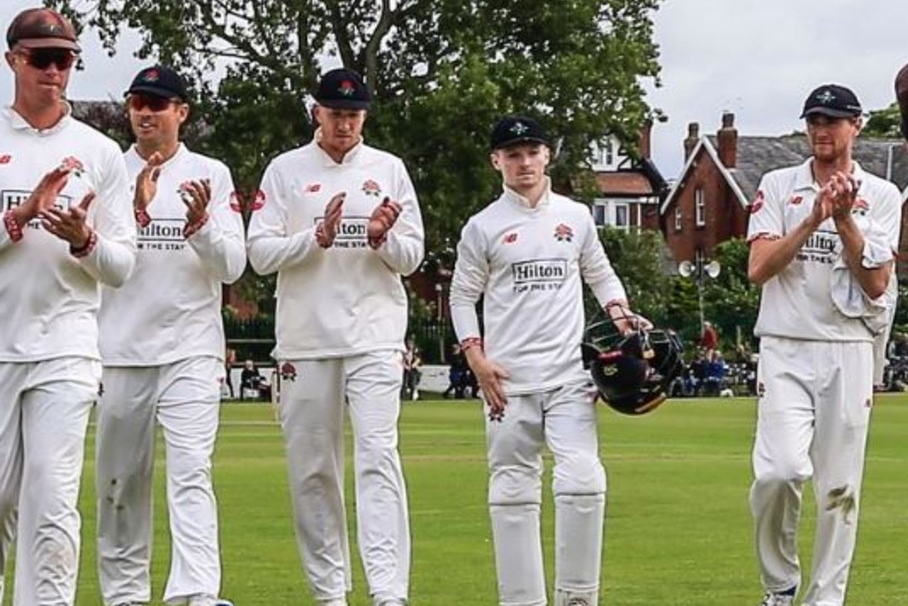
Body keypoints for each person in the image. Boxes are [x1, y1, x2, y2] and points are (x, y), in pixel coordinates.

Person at [449, 115, 644, 606]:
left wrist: (621, 318)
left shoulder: (575, 217)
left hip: (568, 376)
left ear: (547, 155)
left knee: (583, 481)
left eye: (532, 152)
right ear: (497, 161)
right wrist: (477, 359)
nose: (524, 163)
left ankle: (579, 599)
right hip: (507, 380)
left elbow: (600, 275)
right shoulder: (483, 227)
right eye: (512, 154)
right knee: (512, 491)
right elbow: (459, 298)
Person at [247, 68, 424, 606]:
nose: (344, 123)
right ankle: (329, 593)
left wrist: (381, 239)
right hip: (306, 338)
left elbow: (412, 255)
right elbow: (258, 253)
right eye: (334, 113)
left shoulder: (388, 170)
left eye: (352, 114)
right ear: (316, 112)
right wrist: (313, 238)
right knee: (313, 470)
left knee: (378, 457)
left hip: (374, 334)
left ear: (364, 116)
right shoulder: (286, 171)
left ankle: (388, 592)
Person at [745, 84, 901, 606]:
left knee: (839, 490)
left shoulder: (881, 194)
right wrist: (811, 217)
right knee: (779, 472)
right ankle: (779, 585)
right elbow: (759, 269)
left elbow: (876, 284)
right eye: (813, 120)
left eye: (832, 121)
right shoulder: (777, 184)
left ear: (856, 125)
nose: (821, 131)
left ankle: (826, 598)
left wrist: (843, 219)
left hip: (848, 347)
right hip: (786, 345)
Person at [0, 6, 136, 603]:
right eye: (40, 59)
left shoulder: (100, 153)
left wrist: (84, 239)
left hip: (66, 347)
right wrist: (20, 218)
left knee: (52, 504)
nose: (53, 72)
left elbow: (122, 266)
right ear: (13, 61)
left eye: (64, 60)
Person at [96, 65, 245, 606]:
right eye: (138, 102)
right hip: (120, 348)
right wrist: (133, 210)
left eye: (158, 104)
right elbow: (97, 256)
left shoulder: (210, 172)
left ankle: (197, 591)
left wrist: (201, 224)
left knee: (190, 470)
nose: (145, 112)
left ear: (181, 112)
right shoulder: (107, 169)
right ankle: (124, 594)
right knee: (120, 482)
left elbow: (232, 266)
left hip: (191, 348)